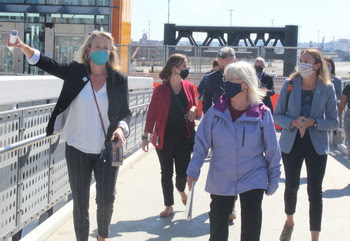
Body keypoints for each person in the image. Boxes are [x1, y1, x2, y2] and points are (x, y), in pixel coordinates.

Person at [7, 31, 131, 241]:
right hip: (76, 148)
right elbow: (48, 64)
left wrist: (121, 128)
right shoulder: (75, 72)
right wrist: (22, 46)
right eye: (97, 46)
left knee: (106, 200)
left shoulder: (118, 80)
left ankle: (102, 236)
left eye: (106, 47)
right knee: (80, 202)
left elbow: (126, 113)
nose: (101, 50)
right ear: (88, 50)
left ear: (111, 52)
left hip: (106, 149)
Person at [187, 61, 281, 241]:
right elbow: (201, 144)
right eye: (226, 79)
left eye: (232, 80)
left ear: (245, 84)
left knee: (251, 231)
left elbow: (272, 150)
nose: (226, 83)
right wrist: (193, 171)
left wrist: (274, 178)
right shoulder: (215, 112)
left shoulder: (262, 113)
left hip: (253, 176)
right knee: (217, 231)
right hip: (221, 176)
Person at [274, 48, 338, 241]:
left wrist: (314, 122)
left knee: (315, 191)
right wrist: (293, 122)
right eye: (301, 60)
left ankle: (314, 236)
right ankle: (289, 221)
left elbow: (334, 121)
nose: (302, 63)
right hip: (292, 142)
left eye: (307, 60)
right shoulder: (290, 84)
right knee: (291, 186)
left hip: (316, 145)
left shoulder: (327, 87)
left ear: (317, 65)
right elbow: (277, 114)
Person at [142, 54, 197, 217]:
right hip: (164, 138)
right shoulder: (160, 90)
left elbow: (194, 105)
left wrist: (194, 109)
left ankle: (181, 190)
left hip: (184, 137)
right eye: (184, 66)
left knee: (182, 173)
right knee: (166, 173)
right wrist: (145, 136)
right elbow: (151, 114)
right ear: (174, 68)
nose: (187, 69)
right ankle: (169, 205)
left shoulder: (188, 86)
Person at [202, 47, 236, 114]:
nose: (225, 70)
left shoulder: (244, 78)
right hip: (219, 119)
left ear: (235, 61)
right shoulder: (212, 78)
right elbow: (206, 103)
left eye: (228, 67)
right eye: (222, 67)